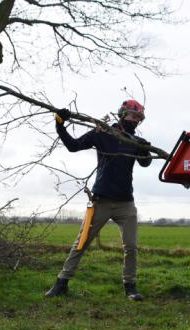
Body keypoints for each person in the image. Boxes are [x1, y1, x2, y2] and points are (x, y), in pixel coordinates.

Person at [44, 99, 152, 301]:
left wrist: (145, 150)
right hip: (101, 200)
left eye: (139, 118)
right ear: (122, 114)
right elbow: (73, 146)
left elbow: (145, 164)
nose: (136, 121)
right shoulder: (101, 133)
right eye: (133, 116)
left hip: (125, 203)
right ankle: (61, 283)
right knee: (81, 243)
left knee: (131, 246)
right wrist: (60, 124)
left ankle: (130, 287)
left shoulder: (134, 141)